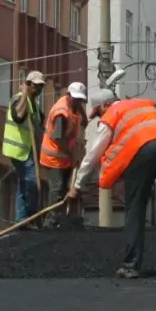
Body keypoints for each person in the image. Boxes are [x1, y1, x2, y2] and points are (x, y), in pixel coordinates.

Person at [66, 88, 156, 279]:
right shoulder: (141, 106)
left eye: (98, 112)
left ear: (105, 105)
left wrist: (76, 186)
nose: (99, 117)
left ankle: (131, 265)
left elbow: (94, 154)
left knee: (135, 208)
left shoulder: (112, 114)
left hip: (142, 150)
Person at [39, 80, 89, 226]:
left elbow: (78, 107)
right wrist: (71, 154)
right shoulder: (61, 113)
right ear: (69, 96)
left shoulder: (73, 104)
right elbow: (58, 138)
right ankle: (51, 220)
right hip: (54, 156)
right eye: (77, 99)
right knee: (57, 188)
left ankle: (62, 217)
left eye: (81, 100)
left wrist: (84, 117)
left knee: (66, 187)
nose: (79, 102)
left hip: (64, 156)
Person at [2, 70, 45, 223]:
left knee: (24, 182)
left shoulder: (35, 105)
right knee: (30, 181)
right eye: (35, 86)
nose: (38, 90)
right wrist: (25, 94)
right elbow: (18, 116)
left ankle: (22, 218)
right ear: (28, 85)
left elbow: (40, 125)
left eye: (41, 87)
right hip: (18, 150)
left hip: (28, 151)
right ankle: (30, 216)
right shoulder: (19, 99)